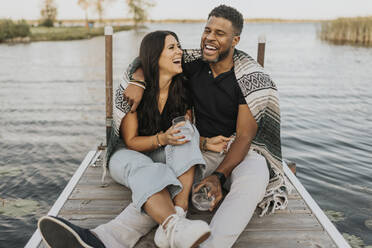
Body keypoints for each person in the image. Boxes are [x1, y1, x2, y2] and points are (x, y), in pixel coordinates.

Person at [122, 5, 289, 248]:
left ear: (235, 40)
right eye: (207, 30)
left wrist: (218, 177)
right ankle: (113, 235)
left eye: (219, 33)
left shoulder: (251, 78)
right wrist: (138, 80)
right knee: (165, 183)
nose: (209, 38)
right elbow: (152, 59)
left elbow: (244, 136)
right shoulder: (194, 65)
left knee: (253, 180)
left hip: (241, 151)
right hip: (200, 148)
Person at [37, 31, 212, 248]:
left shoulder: (182, 87)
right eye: (172, 47)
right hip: (126, 154)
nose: (180, 52)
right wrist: (162, 137)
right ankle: (175, 227)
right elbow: (131, 141)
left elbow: (184, 131)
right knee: (149, 170)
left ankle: (162, 223)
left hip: (161, 152)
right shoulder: (132, 91)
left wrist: (200, 142)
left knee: (185, 132)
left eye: (179, 46)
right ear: (154, 56)